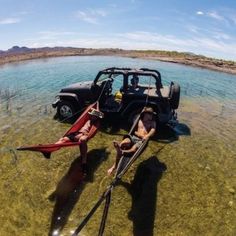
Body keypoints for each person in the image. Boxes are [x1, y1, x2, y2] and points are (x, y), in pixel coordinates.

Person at [107, 107, 156, 175]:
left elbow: (153, 130)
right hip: (133, 137)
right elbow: (134, 130)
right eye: (150, 114)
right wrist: (142, 111)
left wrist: (146, 136)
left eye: (152, 114)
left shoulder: (152, 122)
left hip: (141, 141)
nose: (151, 116)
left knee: (134, 149)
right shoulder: (138, 120)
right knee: (124, 143)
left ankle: (122, 152)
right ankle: (115, 162)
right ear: (145, 114)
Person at [56, 108, 103, 174]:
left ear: (97, 117)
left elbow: (91, 134)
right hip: (76, 133)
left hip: (82, 135)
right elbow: (90, 109)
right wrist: (95, 106)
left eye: (94, 116)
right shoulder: (89, 118)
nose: (92, 116)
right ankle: (50, 148)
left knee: (82, 140)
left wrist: (85, 135)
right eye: (92, 115)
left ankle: (84, 163)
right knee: (62, 139)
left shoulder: (96, 124)